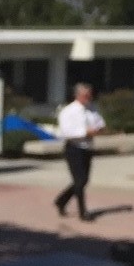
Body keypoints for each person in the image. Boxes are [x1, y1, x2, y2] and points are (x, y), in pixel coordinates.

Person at [54, 83, 105, 220]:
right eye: (85, 95)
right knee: (80, 180)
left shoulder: (92, 108)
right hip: (73, 148)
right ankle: (83, 212)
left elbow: (100, 123)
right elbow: (66, 132)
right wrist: (85, 132)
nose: (88, 97)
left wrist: (98, 129)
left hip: (87, 147)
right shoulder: (68, 111)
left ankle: (61, 200)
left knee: (83, 180)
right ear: (77, 95)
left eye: (90, 95)